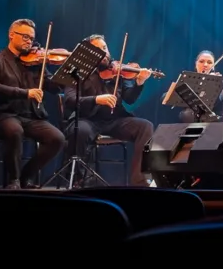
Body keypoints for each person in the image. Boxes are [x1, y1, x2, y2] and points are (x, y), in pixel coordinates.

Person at [0, 19, 66, 189]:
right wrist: (26, 93)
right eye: (25, 36)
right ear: (11, 35)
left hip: (31, 117)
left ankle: (26, 176)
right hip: (3, 115)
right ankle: (14, 180)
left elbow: (56, 88)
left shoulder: (36, 63)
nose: (29, 41)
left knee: (57, 138)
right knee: (14, 130)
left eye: (32, 38)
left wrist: (67, 72)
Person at [63, 34, 155, 187]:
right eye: (98, 49)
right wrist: (96, 99)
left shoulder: (117, 71)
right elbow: (69, 99)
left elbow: (129, 98)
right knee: (81, 131)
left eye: (104, 48)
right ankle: (80, 178)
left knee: (145, 126)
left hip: (114, 121)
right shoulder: (77, 70)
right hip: (87, 119)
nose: (104, 52)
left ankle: (140, 180)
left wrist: (139, 82)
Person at [176, 50, 223, 123]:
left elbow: (213, 102)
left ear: (213, 67)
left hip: (210, 123)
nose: (205, 65)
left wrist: (209, 84)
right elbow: (164, 97)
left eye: (209, 62)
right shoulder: (188, 81)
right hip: (186, 122)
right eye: (201, 61)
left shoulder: (219, 83)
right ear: (196, 64)